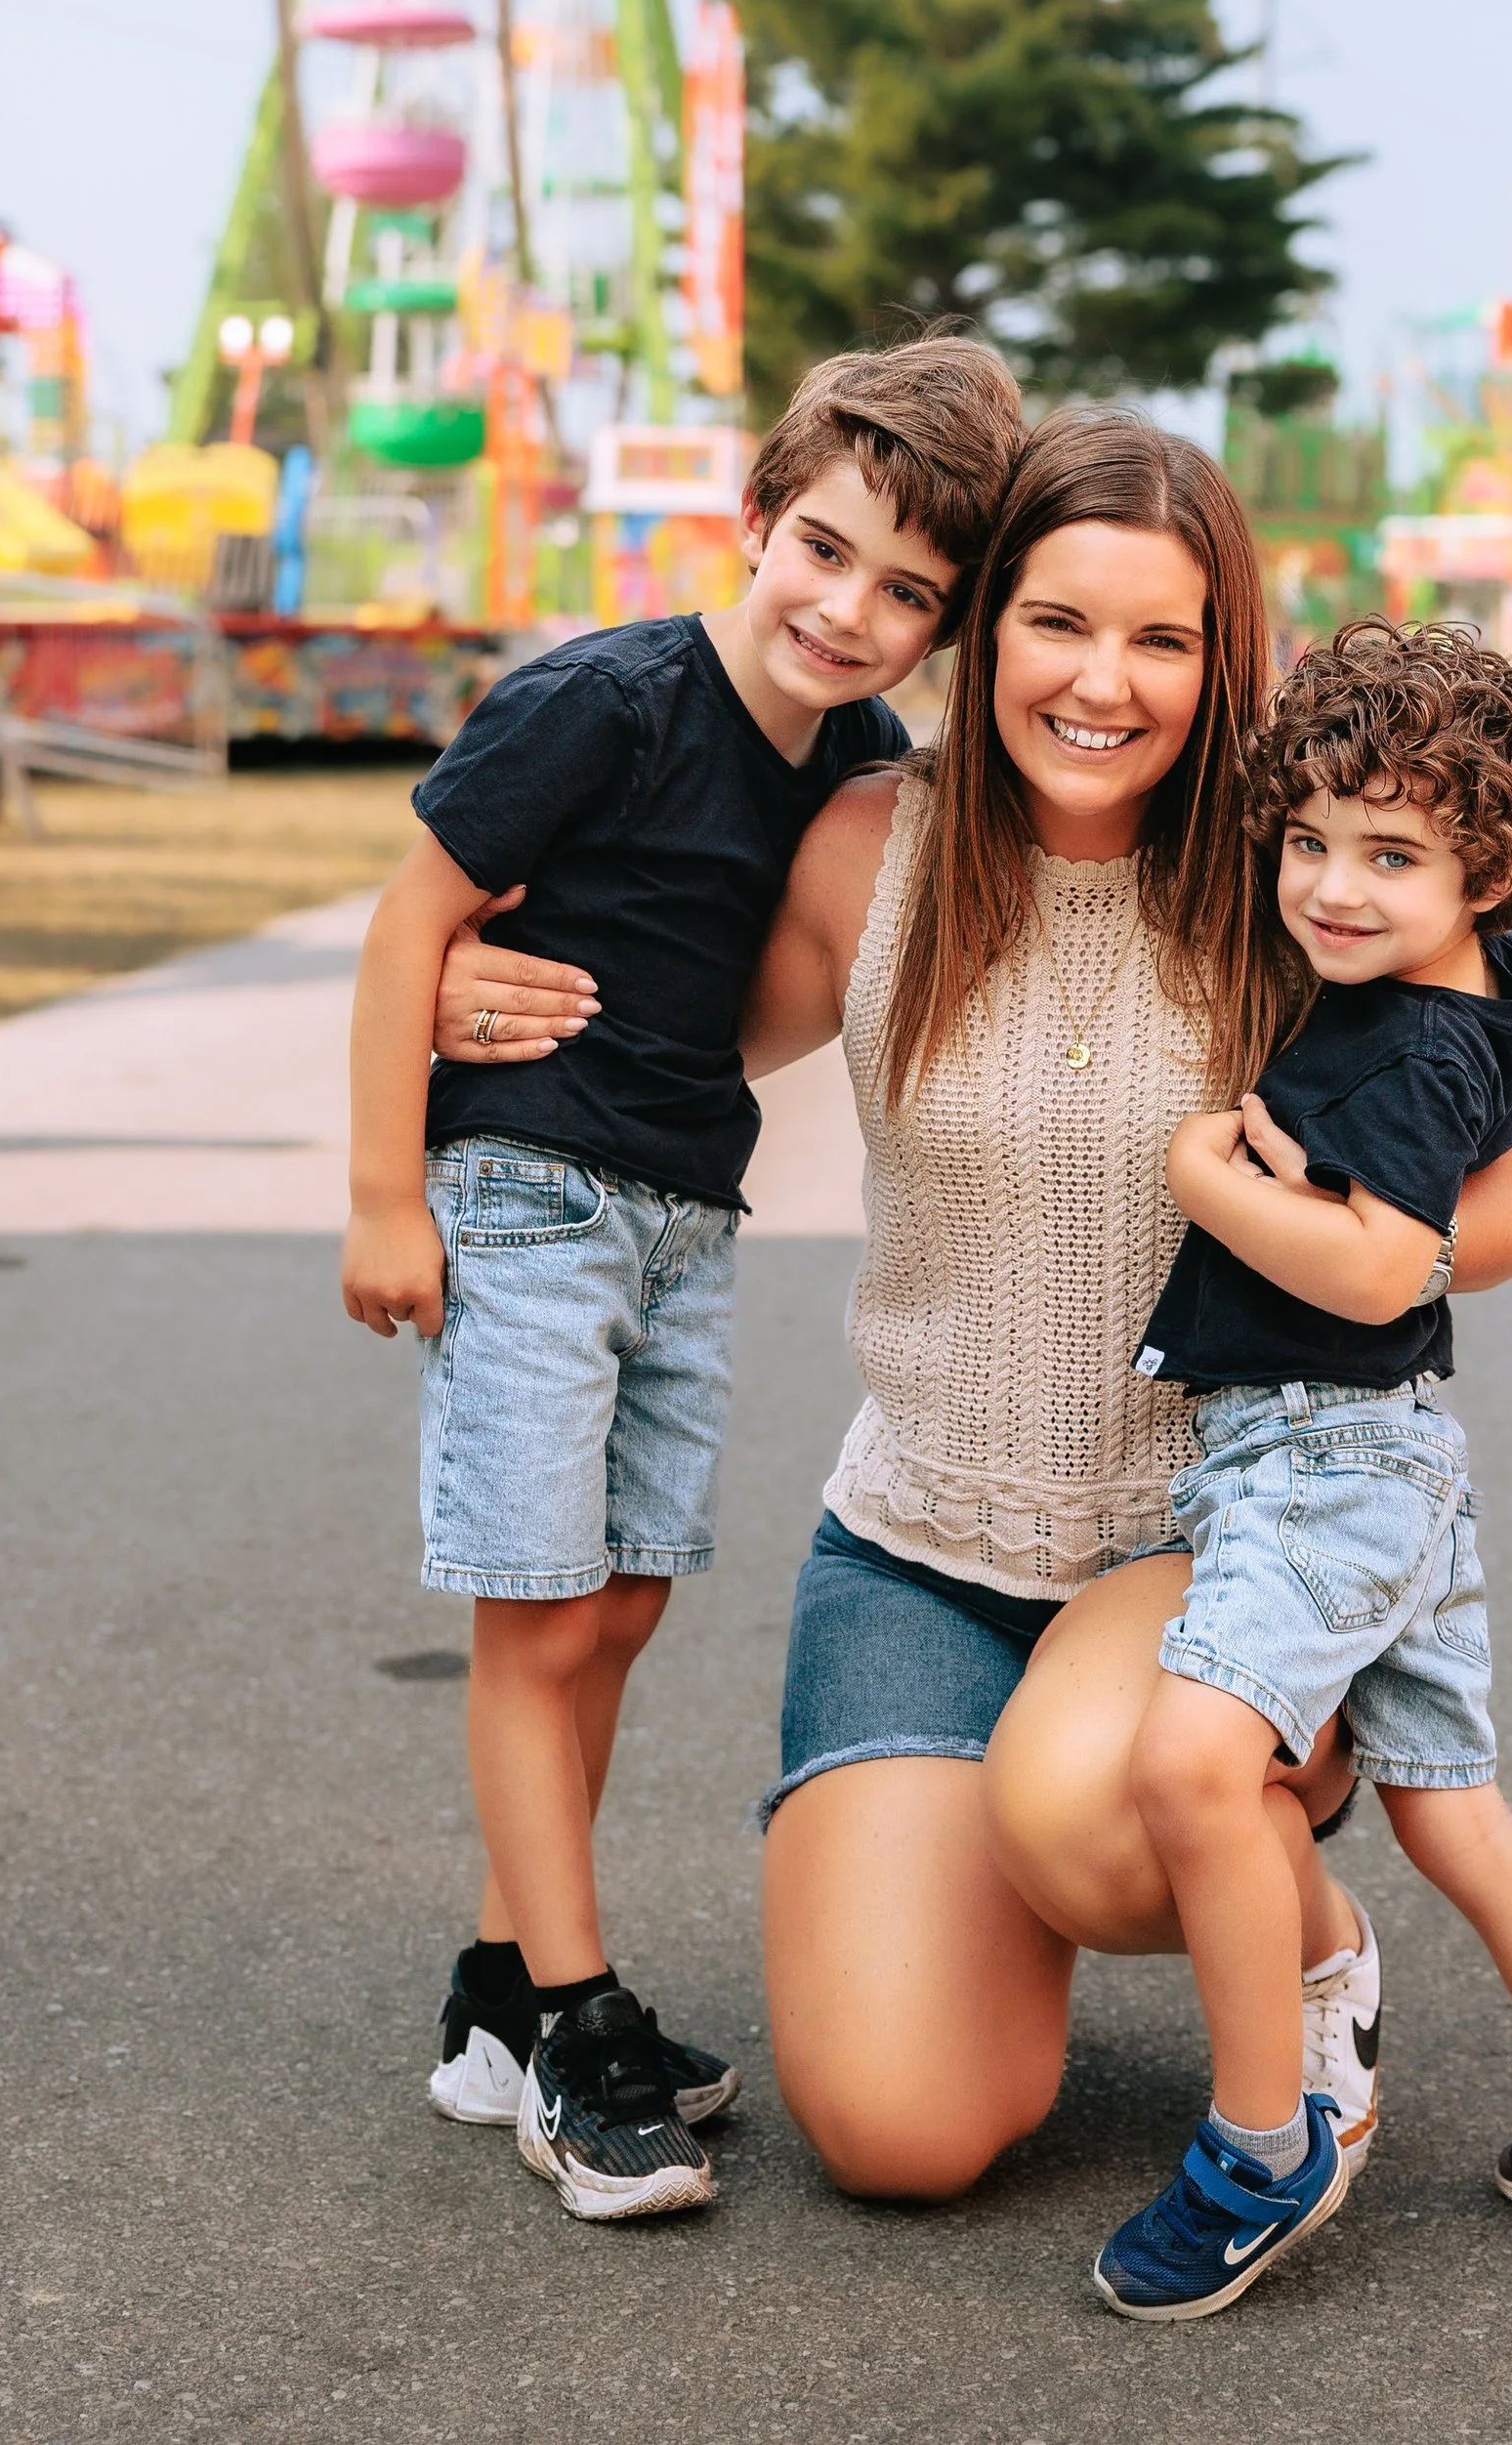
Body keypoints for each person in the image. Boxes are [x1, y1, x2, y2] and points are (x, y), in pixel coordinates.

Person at [448, 406, 1512, 2206]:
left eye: (1163, 637)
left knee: (1093, 1820)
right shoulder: (864, 854)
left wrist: (1397, 1260)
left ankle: (1305, 1953)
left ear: (1227, 656)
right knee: (899, 2132)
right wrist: (474, 995)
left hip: (1219, 1534)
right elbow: (659, 1044)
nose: (1102, 682)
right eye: (1056, 621)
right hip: (921, 1542)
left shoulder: (1329, 866)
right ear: (983, 629)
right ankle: (1010, 1849)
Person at [339, 336, 1026, 2222]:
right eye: (823, 549)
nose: (849, 608)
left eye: (907, 593)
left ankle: (496, 1995)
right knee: (531, 1612)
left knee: (624, 1602)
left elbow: (788, 993)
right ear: (757, 516)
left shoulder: (865, 765)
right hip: (525, 1196)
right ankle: (573, 2021)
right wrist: (387, 1191)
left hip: (682, 1216)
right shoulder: (608, 700)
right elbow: (412, 921)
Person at [1093, 619, 1512, 2318]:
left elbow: (1373, 1269)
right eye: (1311, 841)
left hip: (1324, 1456)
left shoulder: (1409, 1046)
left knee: (1193, 1766)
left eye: (1395, 854)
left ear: (1487, 865)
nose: (1334, 890)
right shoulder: (1507, 988)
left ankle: (1257, 2139)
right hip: (1394, 1460)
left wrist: (1200, 1173)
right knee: (1456, 1813)